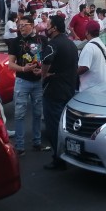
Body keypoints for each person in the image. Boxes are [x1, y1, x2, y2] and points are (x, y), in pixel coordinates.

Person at [41, 15, 78, 170]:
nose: (45, 28)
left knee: (54, 125)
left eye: (48, 25)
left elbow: (46, 63)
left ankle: (59, 158)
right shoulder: (71, 44)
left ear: (54, 28)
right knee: (66, 125)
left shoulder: (52, 45)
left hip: (54, 90)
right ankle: (68, 154)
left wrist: (44, 74)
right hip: (69, 88)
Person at [7, 15, 47, 155]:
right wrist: (24, 69)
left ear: (32, 25)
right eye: (19, 25)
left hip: (37, 82)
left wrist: (40, 70)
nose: (21, 28)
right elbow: (10, 64)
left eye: (24, 25)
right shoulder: (15, 42)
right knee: (19, 114)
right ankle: (20, 146)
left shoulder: (41, 40)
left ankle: (37, 142)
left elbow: (45, 59)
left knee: (37, 113)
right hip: (22, 81)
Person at [77, 20, 106, 93]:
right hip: (101, 86)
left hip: (90, 88)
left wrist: (72, 74)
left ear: (87, 32)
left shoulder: (89, 46)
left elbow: (84, 67)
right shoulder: (101, 44)